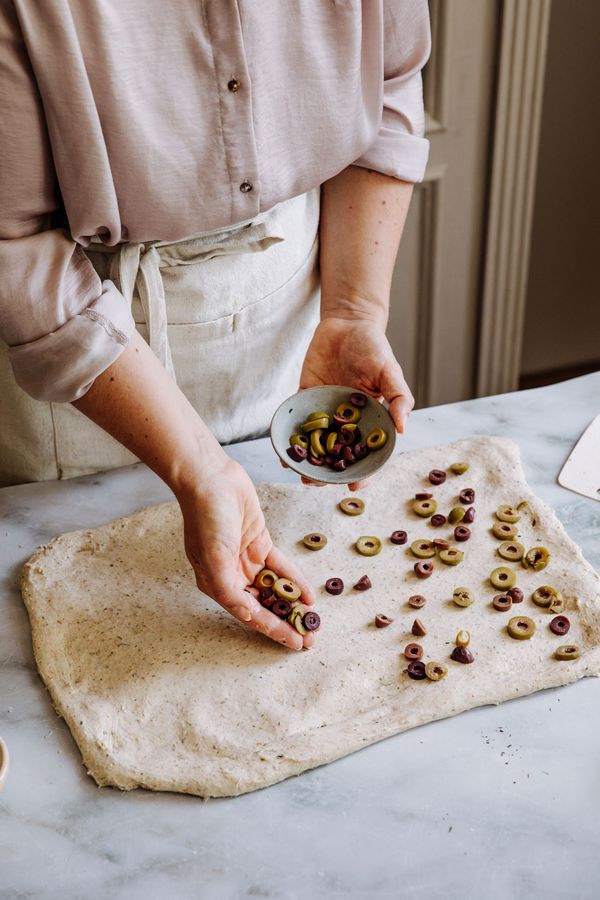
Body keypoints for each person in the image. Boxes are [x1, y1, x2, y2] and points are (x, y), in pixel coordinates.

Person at [0, 1, 431, 650]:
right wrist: (201, 468)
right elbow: (14, 244)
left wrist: (352, 311)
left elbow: (391, 80)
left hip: (290, 298)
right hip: (83, 348)